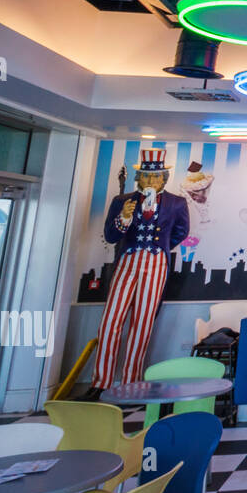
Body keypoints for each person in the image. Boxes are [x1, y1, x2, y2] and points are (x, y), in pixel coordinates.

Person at [80, 149, 190, 400]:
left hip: (155, 263)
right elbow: (111, 236)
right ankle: (102, 382)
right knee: (110, 321)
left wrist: (159, 248)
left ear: (164, 178)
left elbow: (181, 232)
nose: (152, 182)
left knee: (142, 323)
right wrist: (124, 218)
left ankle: (131, 381)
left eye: (157, 177)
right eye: (147, 177)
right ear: (139, 178)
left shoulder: (176, 203)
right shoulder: (122, 201)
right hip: (128, 259)